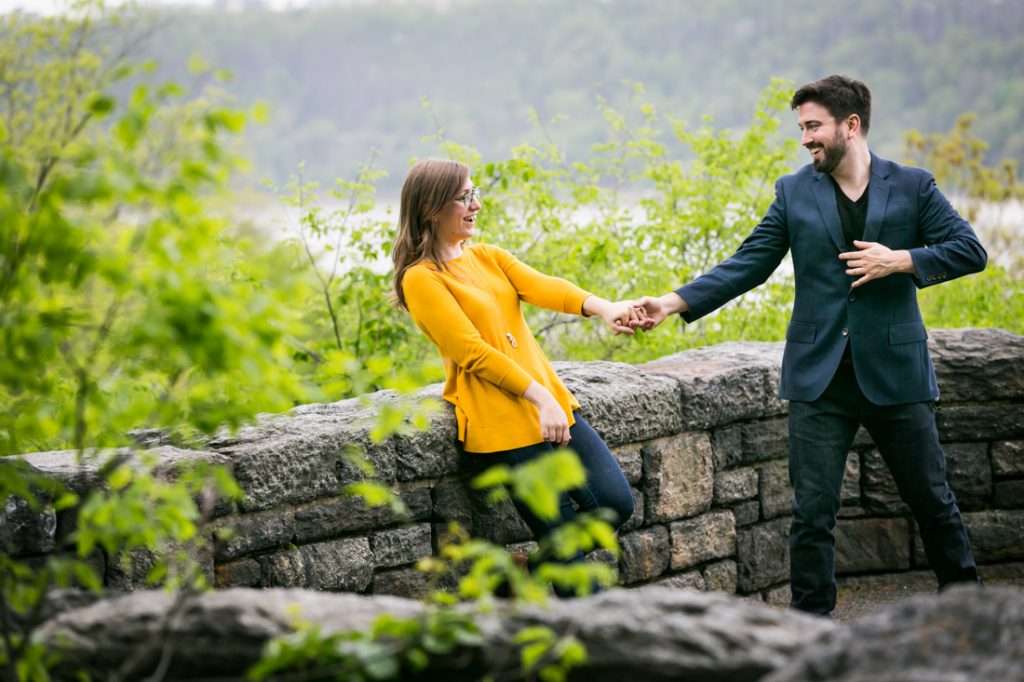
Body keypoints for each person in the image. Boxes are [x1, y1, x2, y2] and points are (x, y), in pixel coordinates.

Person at [633, 75, 985, 616]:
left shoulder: (914, 185)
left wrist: (902, 260)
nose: (804, 139)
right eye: (801, 128)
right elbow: (749, 263)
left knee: (933, 502)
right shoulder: (793, 191)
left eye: (813, 126)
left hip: (897, 373)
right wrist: (672, 302)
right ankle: (809, 631)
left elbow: (969, 250)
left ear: (851, 125)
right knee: (811, 514)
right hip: (819, 379)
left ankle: (971, 613)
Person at [391, 158, 636, 592]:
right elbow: (471, 351)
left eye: (475, 192)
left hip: (552, 407)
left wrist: (605, 308)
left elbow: (546, 286)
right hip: (505, 423)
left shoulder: (487, 256)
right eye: (465, 197)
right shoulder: (421, 279)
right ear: (432, 208)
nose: (476, 204)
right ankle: (591, 647)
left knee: (615, 502)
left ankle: (526, 574)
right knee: (567, 552)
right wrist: (539, 397)